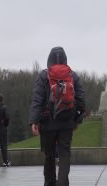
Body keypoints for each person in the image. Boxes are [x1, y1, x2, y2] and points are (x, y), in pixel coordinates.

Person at [29, 46, 85, 186]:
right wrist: (77, 119)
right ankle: (62, 183)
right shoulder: (73, 75)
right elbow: (81, 100)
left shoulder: (44, 75)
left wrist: (34, 121)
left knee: (49, 155)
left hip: (47, 122)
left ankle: (50, 182)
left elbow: (38, 99)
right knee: (64, 154)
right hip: (67, 122)